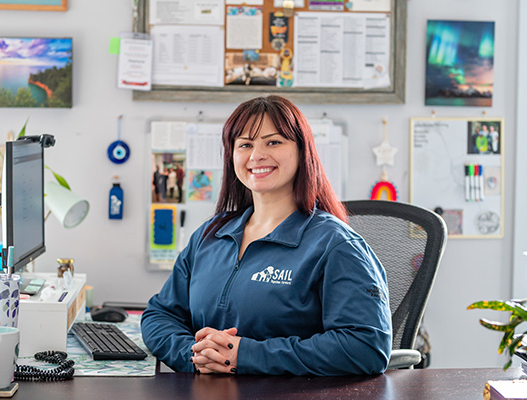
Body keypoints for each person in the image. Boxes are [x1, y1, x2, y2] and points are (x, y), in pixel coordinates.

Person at [141, 95, 392, 376]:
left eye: (273, 142)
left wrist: (244, 355)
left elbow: (365, 347)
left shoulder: (335, 245)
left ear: (302, 151)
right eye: (245, 144)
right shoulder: (210, 236)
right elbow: (159, 315)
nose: (256, 155)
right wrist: (196, 356)